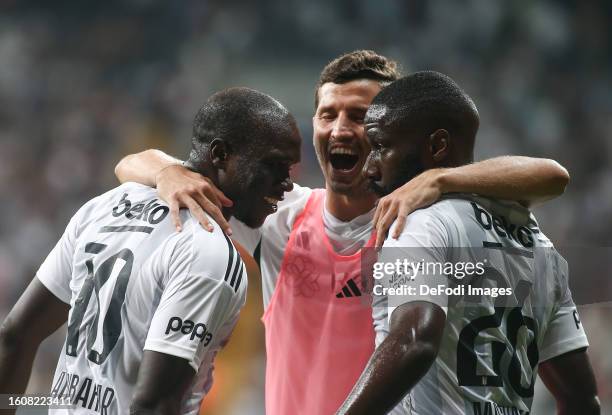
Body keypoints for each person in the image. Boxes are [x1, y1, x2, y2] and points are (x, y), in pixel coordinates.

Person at [115, 51, 571, 415]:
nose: (340, 128)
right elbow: (130, 164)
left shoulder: (421, 226)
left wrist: (441, 179)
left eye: (359, 115)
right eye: (327, 114)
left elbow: (550, 175)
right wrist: (167, 173)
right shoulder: (281, 217)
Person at [0, 87, 301, 414]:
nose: (287, 181)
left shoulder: (104, 206)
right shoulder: (211, 251)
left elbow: (15, 337)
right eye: (274, 165)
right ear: (220, 155)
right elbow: (154, 405)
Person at [336, 71, 600, 415]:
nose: (369, 168)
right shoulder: (539, 244)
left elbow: (415, 340)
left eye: (381, 147)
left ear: (437, 146)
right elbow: (581, 400)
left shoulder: (419, 222)